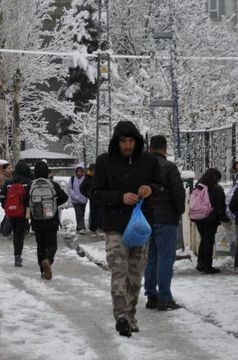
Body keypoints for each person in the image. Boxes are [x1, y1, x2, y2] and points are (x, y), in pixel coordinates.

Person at [92, 120, 161, 337]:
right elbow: (95, 193)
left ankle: (131, 315)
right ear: (117, 142)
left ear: (137, 141)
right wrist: (119, 197)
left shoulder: (149, 162)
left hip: (140, 226)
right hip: (115, 226)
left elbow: (161, 187)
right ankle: (121, 315)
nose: (127, 145)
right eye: (123, 141)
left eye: (131, 141)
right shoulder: (104, 162)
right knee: (118, 269)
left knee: (135, 273)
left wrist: (150, 189)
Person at [143, 135, 186, 312]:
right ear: (165, 148)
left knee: (151, 256)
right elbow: (178, 193)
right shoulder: (169, 167)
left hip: (147, 218)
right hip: (166, 218)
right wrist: (180, 210)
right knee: (166, 258)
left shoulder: (143, 167)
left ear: (150, 147)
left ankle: (151, 294)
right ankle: (165, 297)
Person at [28, 161, 69, 279]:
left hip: (37, 220)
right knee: (52, 244)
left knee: (40, 245)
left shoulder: (31, 185)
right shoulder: (53, 185)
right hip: (51, 219)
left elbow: (25, 200)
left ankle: (42, 270)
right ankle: (48, 260)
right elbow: (64, 197)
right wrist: (53, 204)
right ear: (47, 172)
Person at [0, 161, 34, 267]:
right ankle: (18, 255)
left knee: (15, 234)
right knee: (20, 234)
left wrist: (6, 207)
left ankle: (16, 254)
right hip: (23, 213)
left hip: (12, 212)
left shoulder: (9, 182)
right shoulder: (29, 182)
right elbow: (31, 197)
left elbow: (1, 196)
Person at [193, 168, 227, 274]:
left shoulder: (199, 186)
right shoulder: (217, 189)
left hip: (198, 218)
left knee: (204, 240)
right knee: (209, 242)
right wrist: (224, 219)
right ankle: (207, 266)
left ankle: (200, 263)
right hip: (210, 219)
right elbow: (220, 207)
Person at [68, 164, 88, 234]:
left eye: (80, 171)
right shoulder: (72, 179)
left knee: (82, 213)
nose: (79, 173)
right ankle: (82, 228)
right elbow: (69, 189)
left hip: (83, 200)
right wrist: (75, 196)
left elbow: (87, 188)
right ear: (75, 172)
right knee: (79, 213)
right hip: (75, 200)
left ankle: (79, 227)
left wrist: (85, 196)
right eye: (78, 171)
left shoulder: (85, 179)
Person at [82, 163, 101, 234]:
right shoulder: (88, 177)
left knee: (100, 213)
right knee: (94, 214)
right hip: (93, 199)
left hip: (100, 198)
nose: (94, 171)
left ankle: (99, 227)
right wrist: (88, 195)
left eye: (95, 170)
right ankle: (93, 228)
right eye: (93, 170)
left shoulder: (99, 177)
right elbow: (82, 188)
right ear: (90, 170)